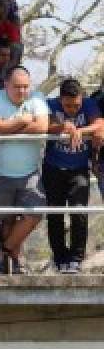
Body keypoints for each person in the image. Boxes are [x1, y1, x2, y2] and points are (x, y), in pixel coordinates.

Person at [0, 66, 49, 275]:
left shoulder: (37, 97)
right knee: (7, 220)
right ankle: (12, 264)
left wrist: (9, 127)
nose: (22, 91)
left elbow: (42, 127)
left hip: (30, 172)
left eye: (25, 87)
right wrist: (22, 121)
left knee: (35, 214)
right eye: (17, 87)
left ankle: (3, 250)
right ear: (6, 85)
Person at [44, 79, 102, 274]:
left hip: (79, 169)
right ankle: (60, 258)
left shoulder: (89, 104)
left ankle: (76, 259)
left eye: (76, 105)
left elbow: (99, 124)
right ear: (60, 99)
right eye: (67, 105)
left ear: (81, 99)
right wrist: (63, 127)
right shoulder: (50, 104)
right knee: (55, 214)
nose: (72, 109)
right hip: (53, 167)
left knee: (79, 212)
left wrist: (79, 130)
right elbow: (45, 125)